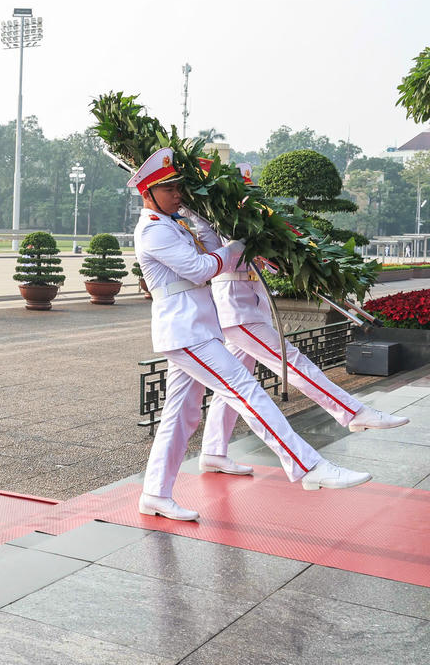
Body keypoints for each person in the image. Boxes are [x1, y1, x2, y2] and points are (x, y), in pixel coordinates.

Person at [131, 148, 371, 522]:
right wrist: (237, 246)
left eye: (179, 187)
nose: (177, 194)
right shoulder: (153, 230)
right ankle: (308, 466)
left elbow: (212, 250)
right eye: (169, 189)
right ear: (147, 193)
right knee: (246, 391)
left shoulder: (175, 223)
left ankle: (155, 494)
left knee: (180, 417)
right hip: (185, 332)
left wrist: (210, 218)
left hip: (196, 328)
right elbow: (200, 268)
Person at [194, 166, 408, 470]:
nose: (245, 194)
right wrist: (244, 244)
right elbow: (214, 261)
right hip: (237, 308)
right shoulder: (210, 217)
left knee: (232, 385)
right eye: (239, 188)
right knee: (293, 362)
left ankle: (214, 451)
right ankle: (351, 412)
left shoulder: (246, 216)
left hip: (253, 305)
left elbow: (267, 265)